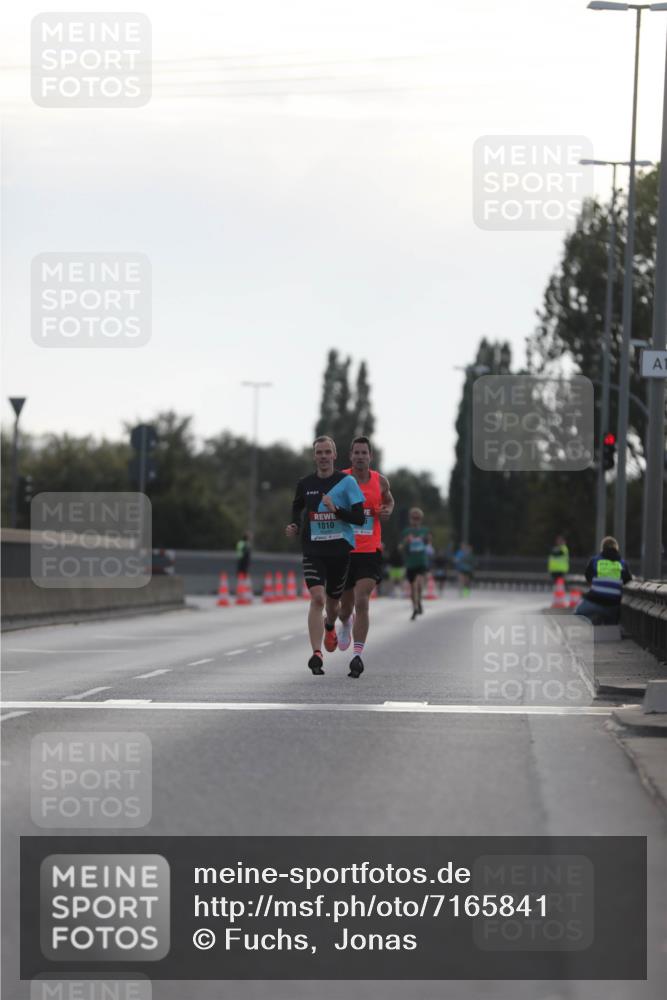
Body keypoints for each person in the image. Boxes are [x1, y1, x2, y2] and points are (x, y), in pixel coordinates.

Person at [285, 436, 365, 676]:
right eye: (318, 452)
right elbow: (297, 507)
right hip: (313, 550)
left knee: (332, 605)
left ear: (334, 455)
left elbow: (359, 518)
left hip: (339, 551)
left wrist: (336, 510)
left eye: (326, 452)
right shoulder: (305, 483)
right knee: (317, 598)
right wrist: (293, 525)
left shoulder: (347, 482)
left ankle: (331, 625)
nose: (322, 456)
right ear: (314, 456)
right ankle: (316, 654)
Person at [336, 436, 394, 678]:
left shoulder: (380, 481)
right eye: (356, 452)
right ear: (351, 456)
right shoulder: (340, 479)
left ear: (371, 456)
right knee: (345, 607)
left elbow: (390, 501)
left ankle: (357, 656)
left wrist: (387, 510)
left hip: (370, 550)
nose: (360, 456)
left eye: (364, 453)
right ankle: (345, 623)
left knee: (362, 602)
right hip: (344, 550)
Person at [574, 536, 632, 625]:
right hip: (613, 604)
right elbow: (627, 580)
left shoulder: (595, 560)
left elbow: (588, 576)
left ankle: (592, 623)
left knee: (577, 613)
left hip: (595, 601)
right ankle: (609, 630)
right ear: (616, 548)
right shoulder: (622, 563)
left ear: (602, 548)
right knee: (611, 622)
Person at [399, 508, 432, 621]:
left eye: (417, 518)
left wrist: (427, 539)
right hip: (410, 563)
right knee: (413, 587)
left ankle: (419, 602)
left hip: (421, 561)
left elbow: (429, 544)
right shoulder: (406, 532)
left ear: (421, 519)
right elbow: (401, 548)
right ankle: (415, 607)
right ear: (410, 519)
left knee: (418, 582)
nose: (415, 520)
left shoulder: (425, 530)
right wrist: (406, 542)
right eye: (413, 518)